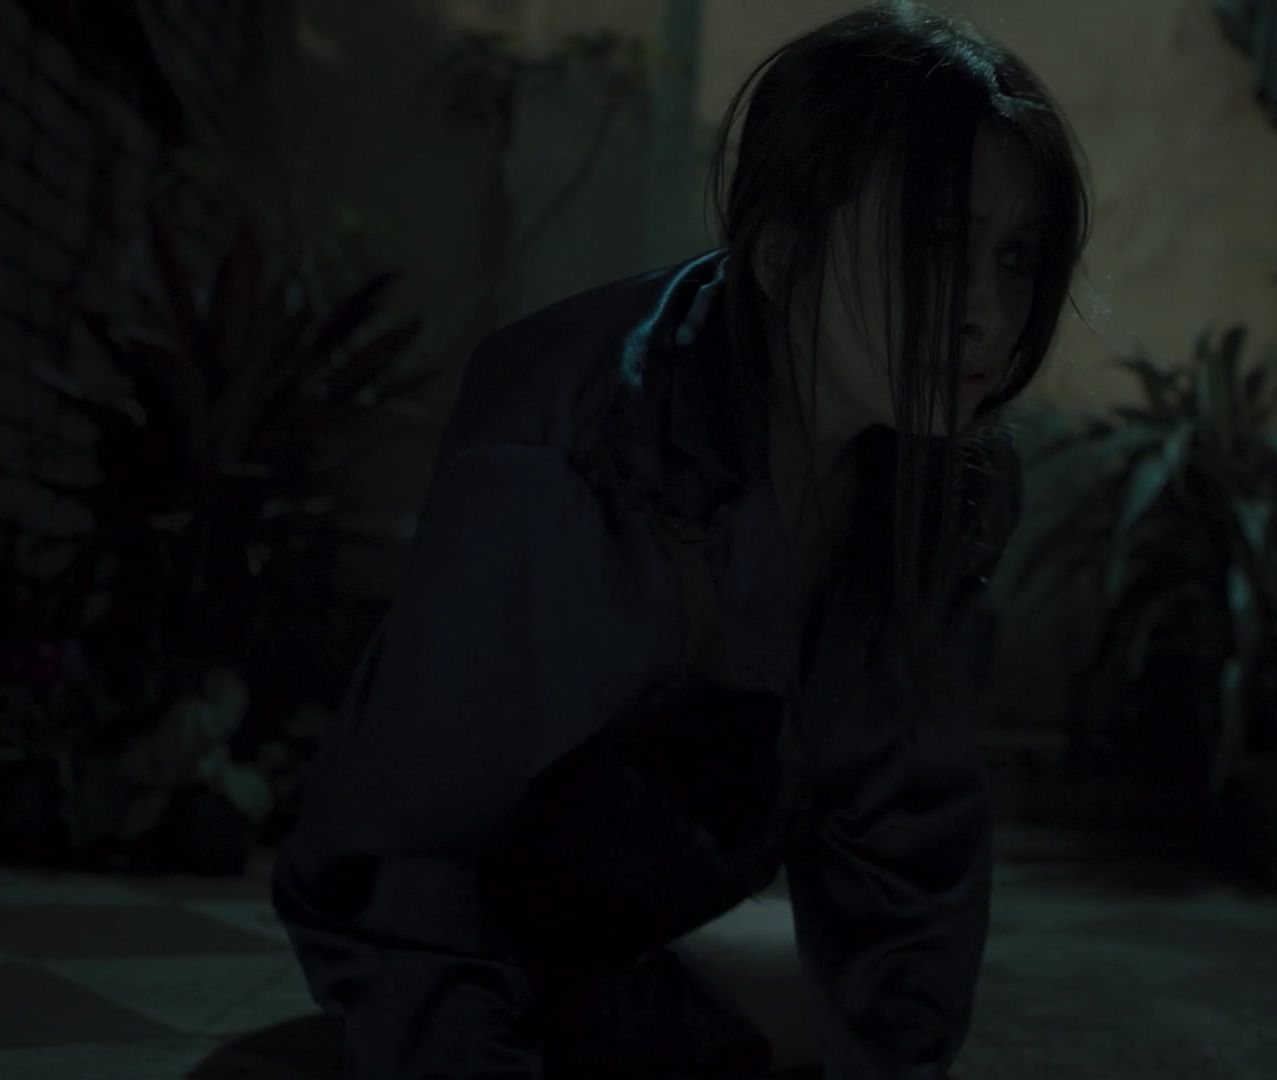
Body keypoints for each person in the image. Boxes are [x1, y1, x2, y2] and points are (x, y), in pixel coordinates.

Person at [271, 2, 1090, 1076]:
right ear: (786, 249)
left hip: (623, 927)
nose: (986, 309)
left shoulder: (950, 484)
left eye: (1017, 255)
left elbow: (909, 843)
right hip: (436, 932)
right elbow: (400, 863)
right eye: (933, 243)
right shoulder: (573, 446)